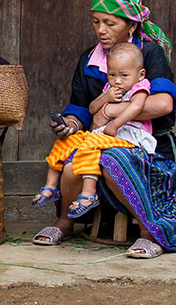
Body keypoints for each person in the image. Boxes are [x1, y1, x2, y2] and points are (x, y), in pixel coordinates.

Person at [32, 0, 176, 259]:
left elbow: (163, 103)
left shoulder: (148, 54)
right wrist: (71, 124)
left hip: (148, 146)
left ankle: (151, 234)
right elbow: (81, 108)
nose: (101, 30)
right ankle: (65, 223)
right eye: (96, 22)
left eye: (110, 23)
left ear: (131, 26)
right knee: (71, 164)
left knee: (112, 162)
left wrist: (113, 112)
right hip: (103, 139)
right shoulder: (89, 59)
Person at [32, 42, 156, 218]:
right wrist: (106, 97)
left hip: (130, 134)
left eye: (124, 75)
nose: (117, 81)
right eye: (112, 75)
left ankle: (89, 194)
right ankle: (51, 187)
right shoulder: (110, 88)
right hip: (107, 135)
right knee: (67, 141)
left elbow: (135, 108)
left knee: (89, 145)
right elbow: (91, 109)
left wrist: (115, 124)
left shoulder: (140, 87)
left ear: (140, 74)